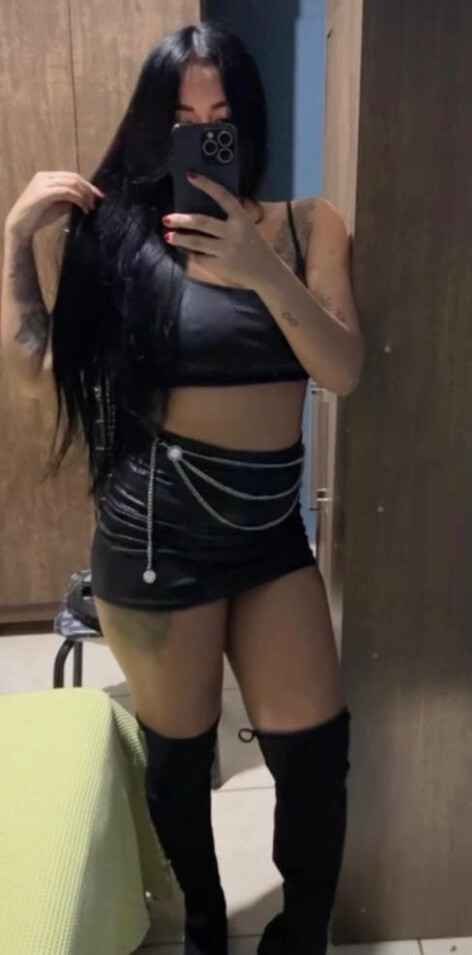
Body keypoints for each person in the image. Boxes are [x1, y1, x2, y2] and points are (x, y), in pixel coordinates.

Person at [1, 20, 364, 955]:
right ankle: (205, 922)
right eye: (182, 118)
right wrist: (15, 240)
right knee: (180, 759)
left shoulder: (309, 225)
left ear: (250, 123)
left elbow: (343, 368)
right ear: (154, 128)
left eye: (222, 115)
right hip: (156, 543)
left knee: (316, 757)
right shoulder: (121, 239)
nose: (204, 133)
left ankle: (302, 934)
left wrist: (259, 268)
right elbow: (35, 371)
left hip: (268, 537)